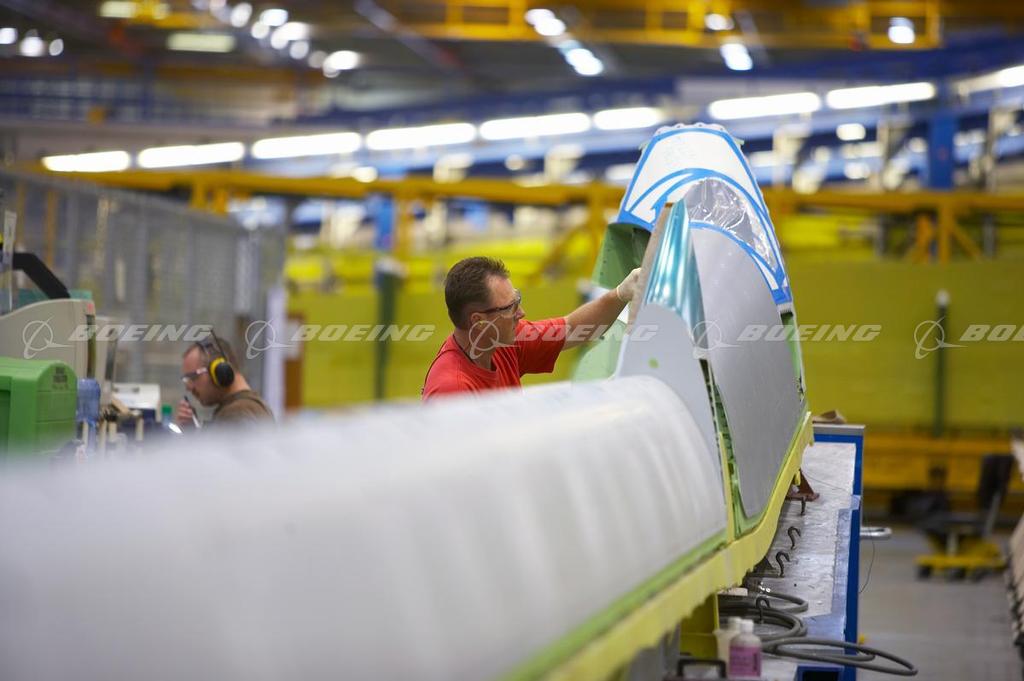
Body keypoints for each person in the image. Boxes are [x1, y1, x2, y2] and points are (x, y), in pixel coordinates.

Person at [422, 256, 641, 399]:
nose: (521, 313)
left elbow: (572, 328)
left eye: (517, 299)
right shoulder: (452, 391)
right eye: (510, 307)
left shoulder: (499, 343)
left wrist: (620, 293)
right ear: (478, 322)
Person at [176, 333, 274, 427]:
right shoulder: (248, 408)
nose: (189, 387)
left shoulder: (237, 413)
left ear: (220, 370)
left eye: (193, 377)